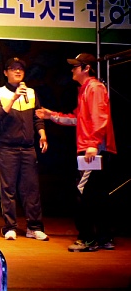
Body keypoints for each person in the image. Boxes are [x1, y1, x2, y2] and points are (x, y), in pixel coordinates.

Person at [36, 53, 117, 252]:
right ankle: (104, 237)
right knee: (97, 194)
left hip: (93, 149)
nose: (72, 70)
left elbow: (100, 117)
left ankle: (88, 239)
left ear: (86, 68)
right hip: (94, 148)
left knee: (82, 192)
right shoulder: (86, 90)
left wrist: (93, 144)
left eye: (75, 66)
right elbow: (76, 119)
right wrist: (51, 115)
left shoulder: (94, 88)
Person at [0, 57, 49, 241]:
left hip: (28, 148)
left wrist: (42, 134)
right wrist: (14, 97)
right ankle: (9, 227)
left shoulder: (31, 93)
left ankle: (34, 227)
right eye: (13, 68)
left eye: (20, 69)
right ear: (5, 72)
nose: (17, 71)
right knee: (8, 188)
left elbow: (37, 117)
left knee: (31, 188)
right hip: (6, 148)